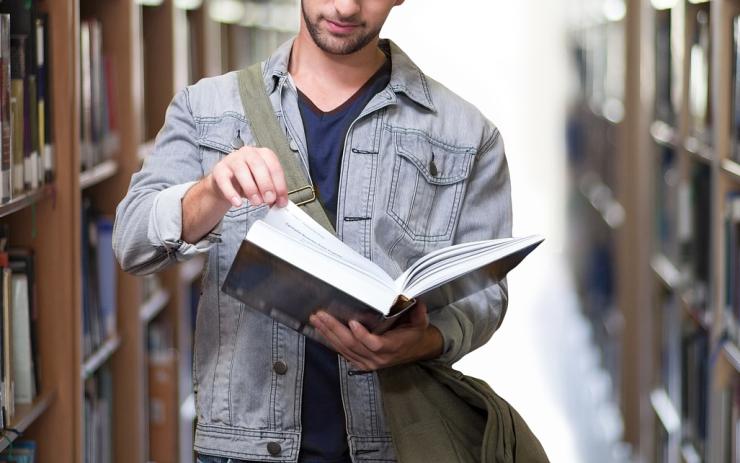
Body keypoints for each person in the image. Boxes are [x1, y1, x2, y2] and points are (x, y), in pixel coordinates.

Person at [113, 0, 512, 461]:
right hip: (243, 449)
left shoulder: (467, 134)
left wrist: (424, 341)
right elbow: (132, 243)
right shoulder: (206, 109)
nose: (345, 6)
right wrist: (210, 192)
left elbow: (485, 295)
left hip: (395, 445)